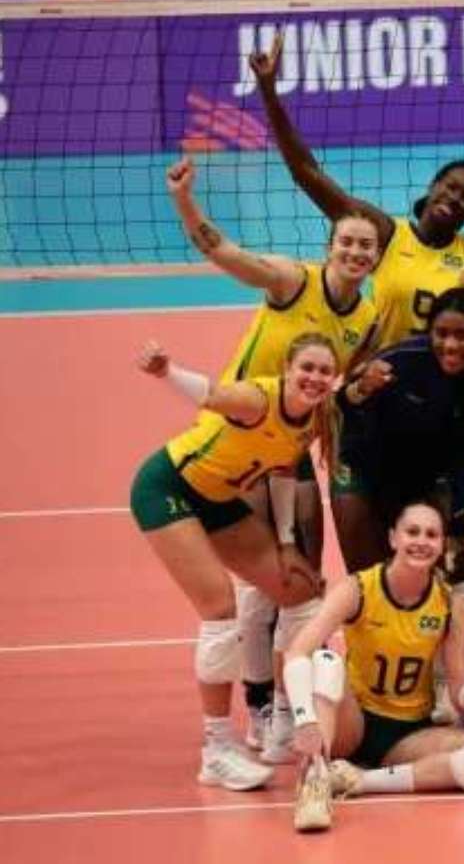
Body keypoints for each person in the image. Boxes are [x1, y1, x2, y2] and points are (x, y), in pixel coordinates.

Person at [166, 154, 379, 756]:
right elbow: (225, 253)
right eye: (347, 242)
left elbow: (337, 396)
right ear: (329, 247)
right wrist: (185, 201)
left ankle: (290, 706)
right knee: (258, 588)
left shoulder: (364, 318)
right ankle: (259, 705)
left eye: (366, 246)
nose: (356, 252)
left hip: (289, 450)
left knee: (299, 578)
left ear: (374, 258)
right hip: (237, 442)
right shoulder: (291, 282)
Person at [128, 333, 338, 791]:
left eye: (325, 371)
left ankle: (285, 717)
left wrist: (286, 542)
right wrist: (166, 371)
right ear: (287, 369)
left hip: (217, 499)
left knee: (298, 589)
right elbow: (210, 394)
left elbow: (283, 470)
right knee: (220, 609)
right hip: (168, 489)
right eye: (306, 368)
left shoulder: (312, 419)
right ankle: (217, 749)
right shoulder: (258, 399)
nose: (315, 378)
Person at [283, 502, 464, 833]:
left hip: (408, 734)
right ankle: (314, 783)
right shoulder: (358, 588)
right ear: (393, 538)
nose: (421, 541)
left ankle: (359, 780)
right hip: (353, 723)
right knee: (325, 661)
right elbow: (296, 652)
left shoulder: (451, 605)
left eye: (432, 535)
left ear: (441, 545)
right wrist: (305, 720)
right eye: (412, 532)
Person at [250, 32, 464, 346]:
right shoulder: (387, 234)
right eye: (451, 187)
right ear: (433, 186)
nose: (455, 198)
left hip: (442, 371)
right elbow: (306, 173)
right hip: (382, 367)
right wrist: (268, 92)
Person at [334, 288, 464, 571]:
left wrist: (459, 524)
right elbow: (341, 402)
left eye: (463, 335)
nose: (450, 345)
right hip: (364, 467)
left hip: (428, 478)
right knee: (368, 574)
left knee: (425, 573)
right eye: (441, 333)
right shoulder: (399, 361)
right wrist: (361, 388)